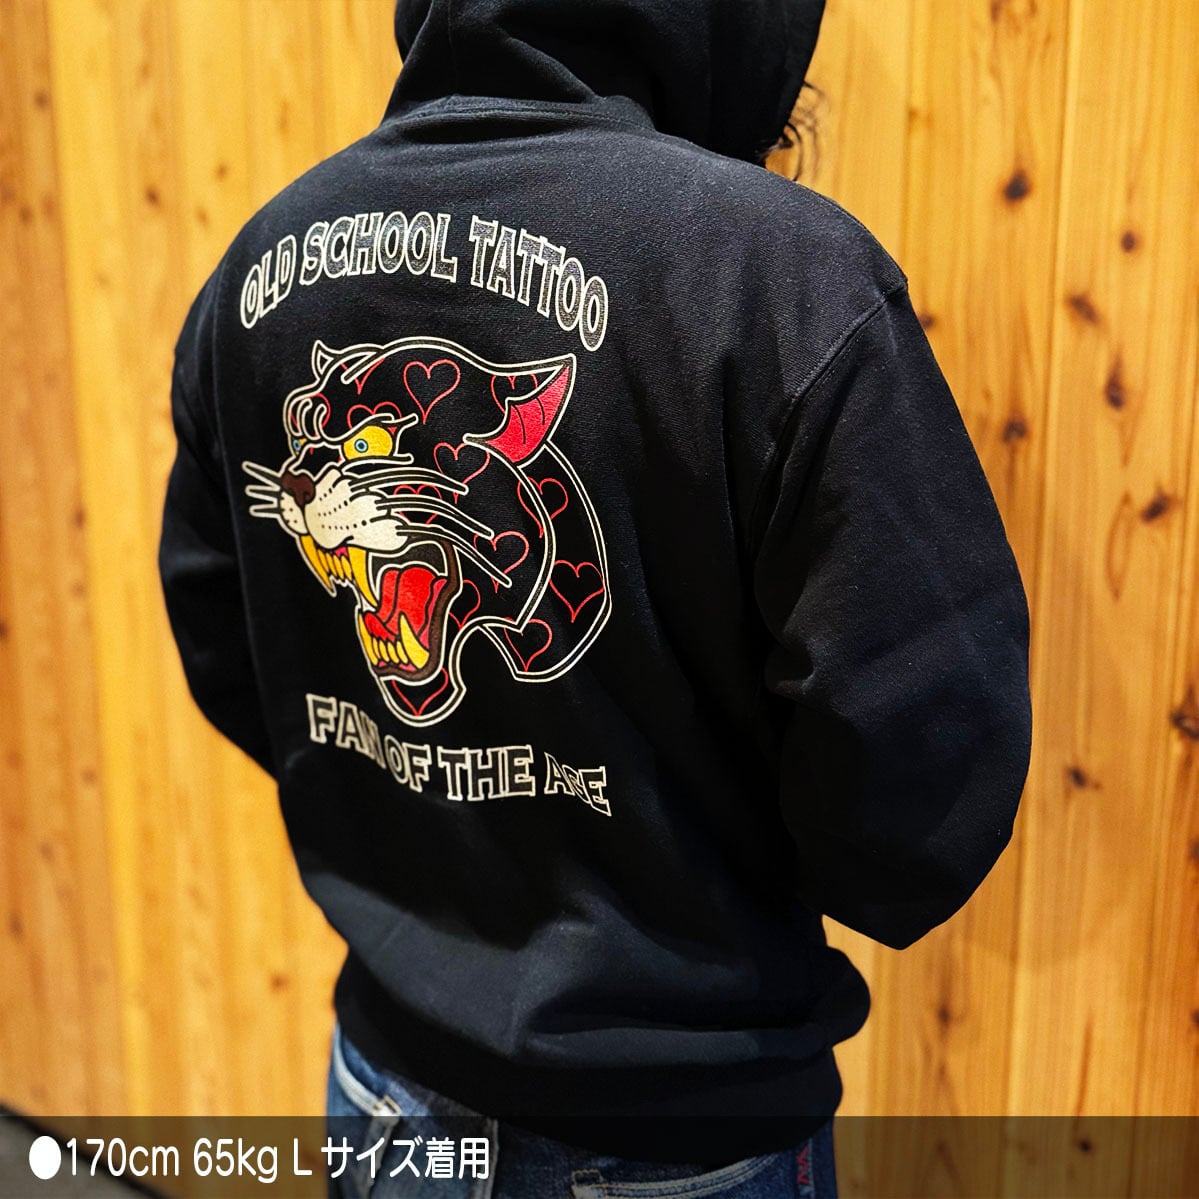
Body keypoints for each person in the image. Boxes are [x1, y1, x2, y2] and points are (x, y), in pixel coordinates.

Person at [158, 0, 1033, 1195]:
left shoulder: (262, 260)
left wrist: (410, 800)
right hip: (680, 1131)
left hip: (382, 1088)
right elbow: (920, 780)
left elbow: (227, 642)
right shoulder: (783, 281)